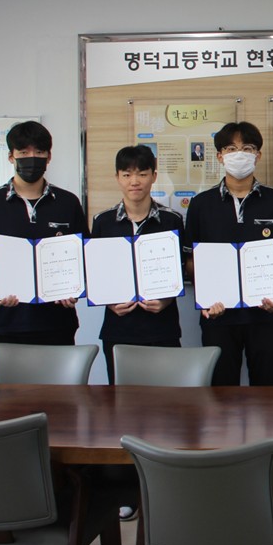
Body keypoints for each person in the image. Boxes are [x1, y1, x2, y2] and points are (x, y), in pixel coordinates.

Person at [0, 120, 87, 382]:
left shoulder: (68, 203)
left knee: (57, 402)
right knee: (5, 403)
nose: (32, 158)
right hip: (2, 323)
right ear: (11, 156)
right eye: (23, 152)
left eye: (39, 152)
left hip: (55, 324)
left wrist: (74, 289)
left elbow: (84, 257)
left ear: (49, 157)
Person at [182, 122, 273, 386]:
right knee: (221, 391)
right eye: (231, 149)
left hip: (267, 314)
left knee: (268, 389)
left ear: (257, 155)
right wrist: (205, 298)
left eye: (247, 148)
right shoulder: (201, 204)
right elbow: (191, 259)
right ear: (220, 156)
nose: (239, 154)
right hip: (219, 316)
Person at [91, 145, 184, 384]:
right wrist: (109, 302)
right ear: (117, 177)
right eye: (127, 174)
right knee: (122, 399)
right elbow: (95, 272)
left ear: (154, 176)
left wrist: (166, 300)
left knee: (166, 396)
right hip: (118, 328)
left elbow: (182, 268)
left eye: (142, 174)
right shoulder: (103, 222)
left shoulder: (172, 220)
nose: (135, 181)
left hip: (162, 327)